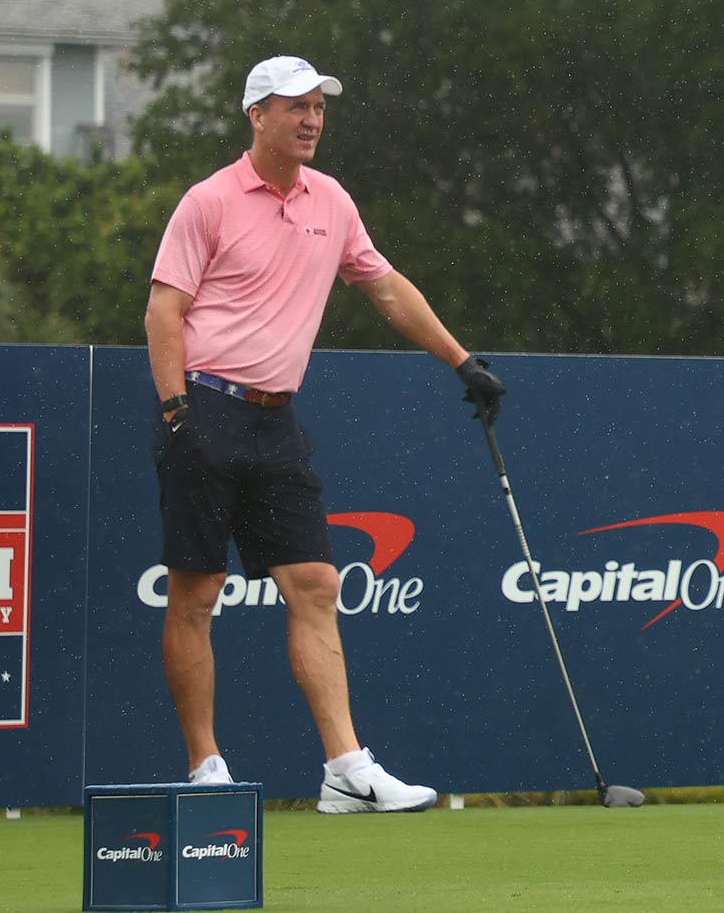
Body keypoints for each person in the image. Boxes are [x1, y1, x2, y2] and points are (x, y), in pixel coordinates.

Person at [144, 55, 508, 814]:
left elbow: (384, 288)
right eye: (295, 107)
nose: (311, 119)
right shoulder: (208, 201)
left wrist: (461, 360)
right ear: (257, 115)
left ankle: (345, 768)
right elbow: (163, 311)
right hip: (205, 408)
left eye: (318, 107)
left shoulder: (332, 201)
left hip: (278, 421)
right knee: (197, 592)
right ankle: (205, 764)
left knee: (315, 584)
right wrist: (178, 411)